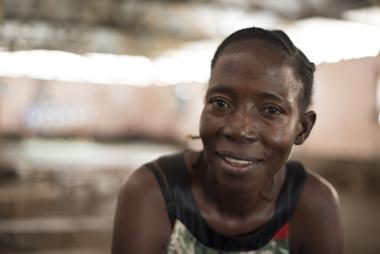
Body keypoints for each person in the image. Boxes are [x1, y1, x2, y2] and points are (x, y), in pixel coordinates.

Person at [111, 27, 343, 254]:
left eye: (271, 110)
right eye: (221, 103)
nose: (240, 130)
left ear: (302, 128)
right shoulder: (153, 193)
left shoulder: (312, 204)